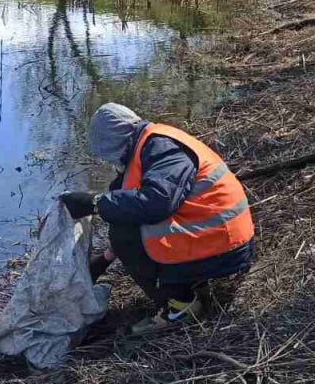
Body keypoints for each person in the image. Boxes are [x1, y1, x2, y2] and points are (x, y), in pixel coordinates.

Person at [59, 103, 254, 336]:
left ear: (116, 141)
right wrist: (104, 260)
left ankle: (180, 305)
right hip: (216, 238)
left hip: (223, 246)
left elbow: (157, 203)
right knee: (124, 214)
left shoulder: (162, 149)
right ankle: (189, 279)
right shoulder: (146, 145)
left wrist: (95, 203)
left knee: (124, 227)